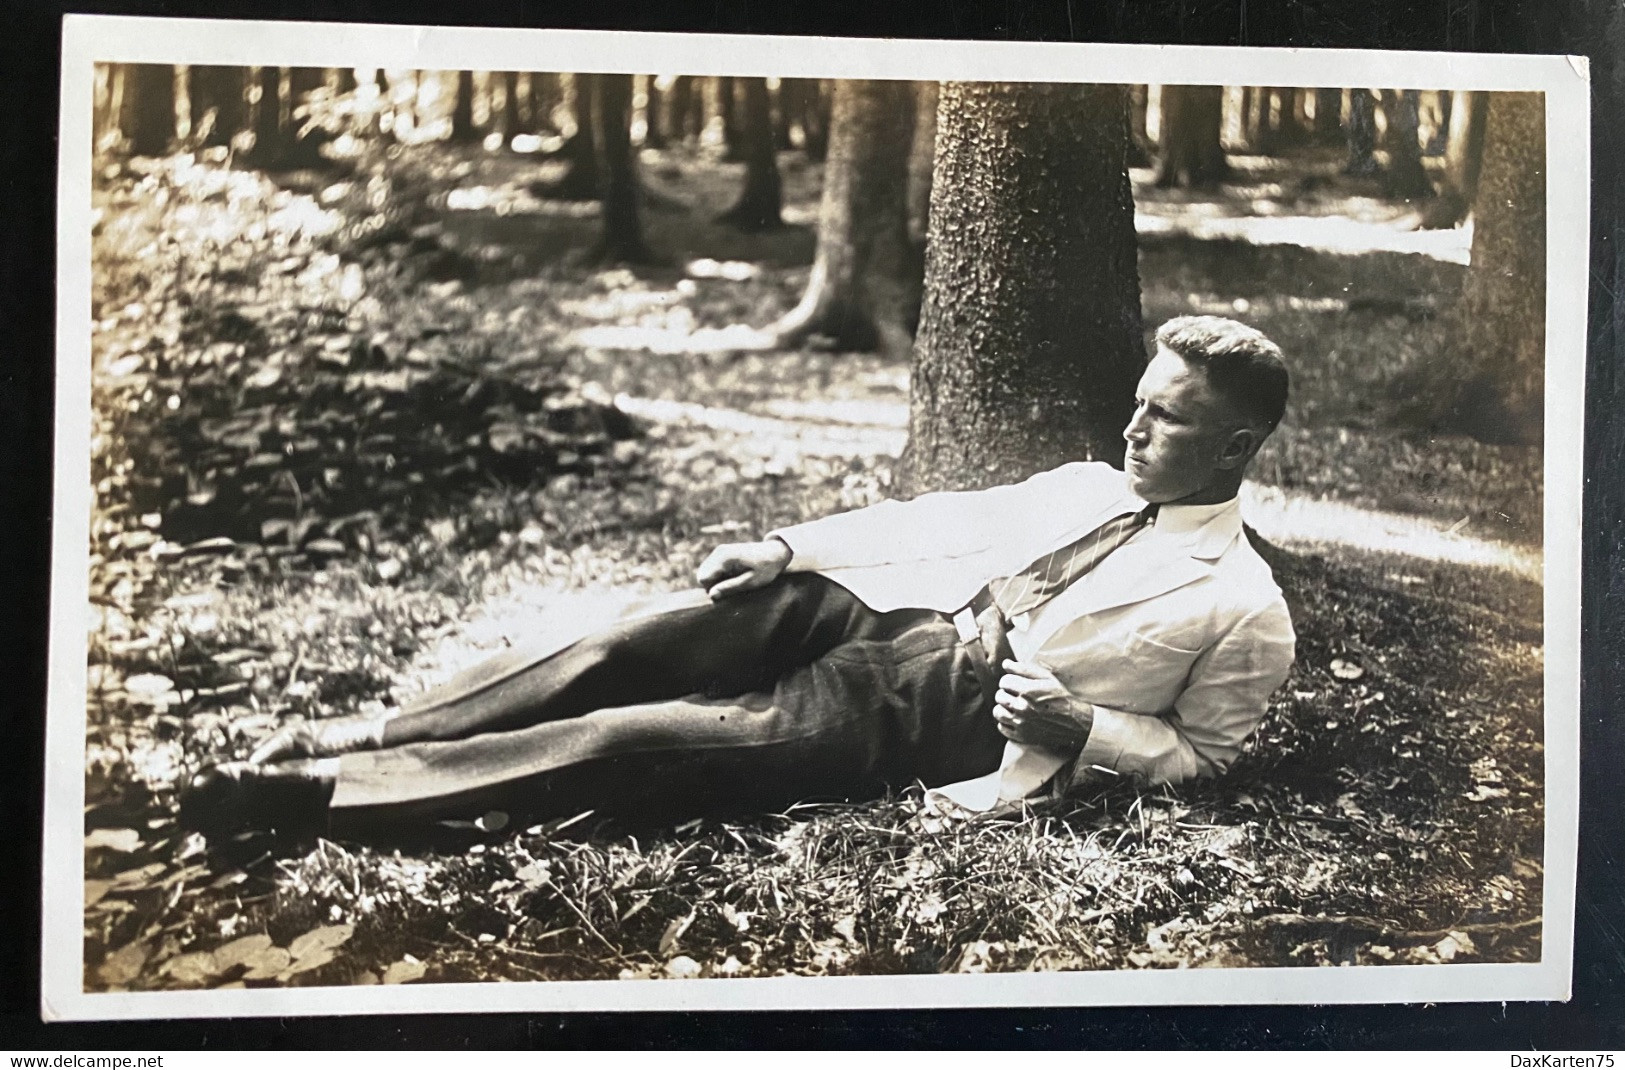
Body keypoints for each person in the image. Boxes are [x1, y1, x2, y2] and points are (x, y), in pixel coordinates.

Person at [179, 315, 1296, 841]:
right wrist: (787, 552)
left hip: (933, 705)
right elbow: (940, 515)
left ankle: (325, 798)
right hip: (885, 610)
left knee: (639, 738)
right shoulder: (1086, 483)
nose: (1133, 424)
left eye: (1168, 415)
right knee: (628, 641)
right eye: (1140, 399)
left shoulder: (1242, 603)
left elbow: (1202, 759)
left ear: (1234, 446)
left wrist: (1079, 724)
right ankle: (365, 732)